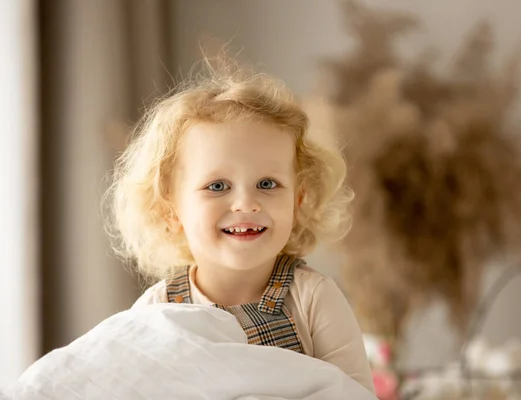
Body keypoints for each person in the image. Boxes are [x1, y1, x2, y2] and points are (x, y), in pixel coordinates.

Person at [104, 58, 374, 393]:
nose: (247, 203)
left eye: (267, 183)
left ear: (298, 200)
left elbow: (355, 394)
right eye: (217, 186)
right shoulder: (158, 310)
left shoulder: (313, 299)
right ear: (170, 211)